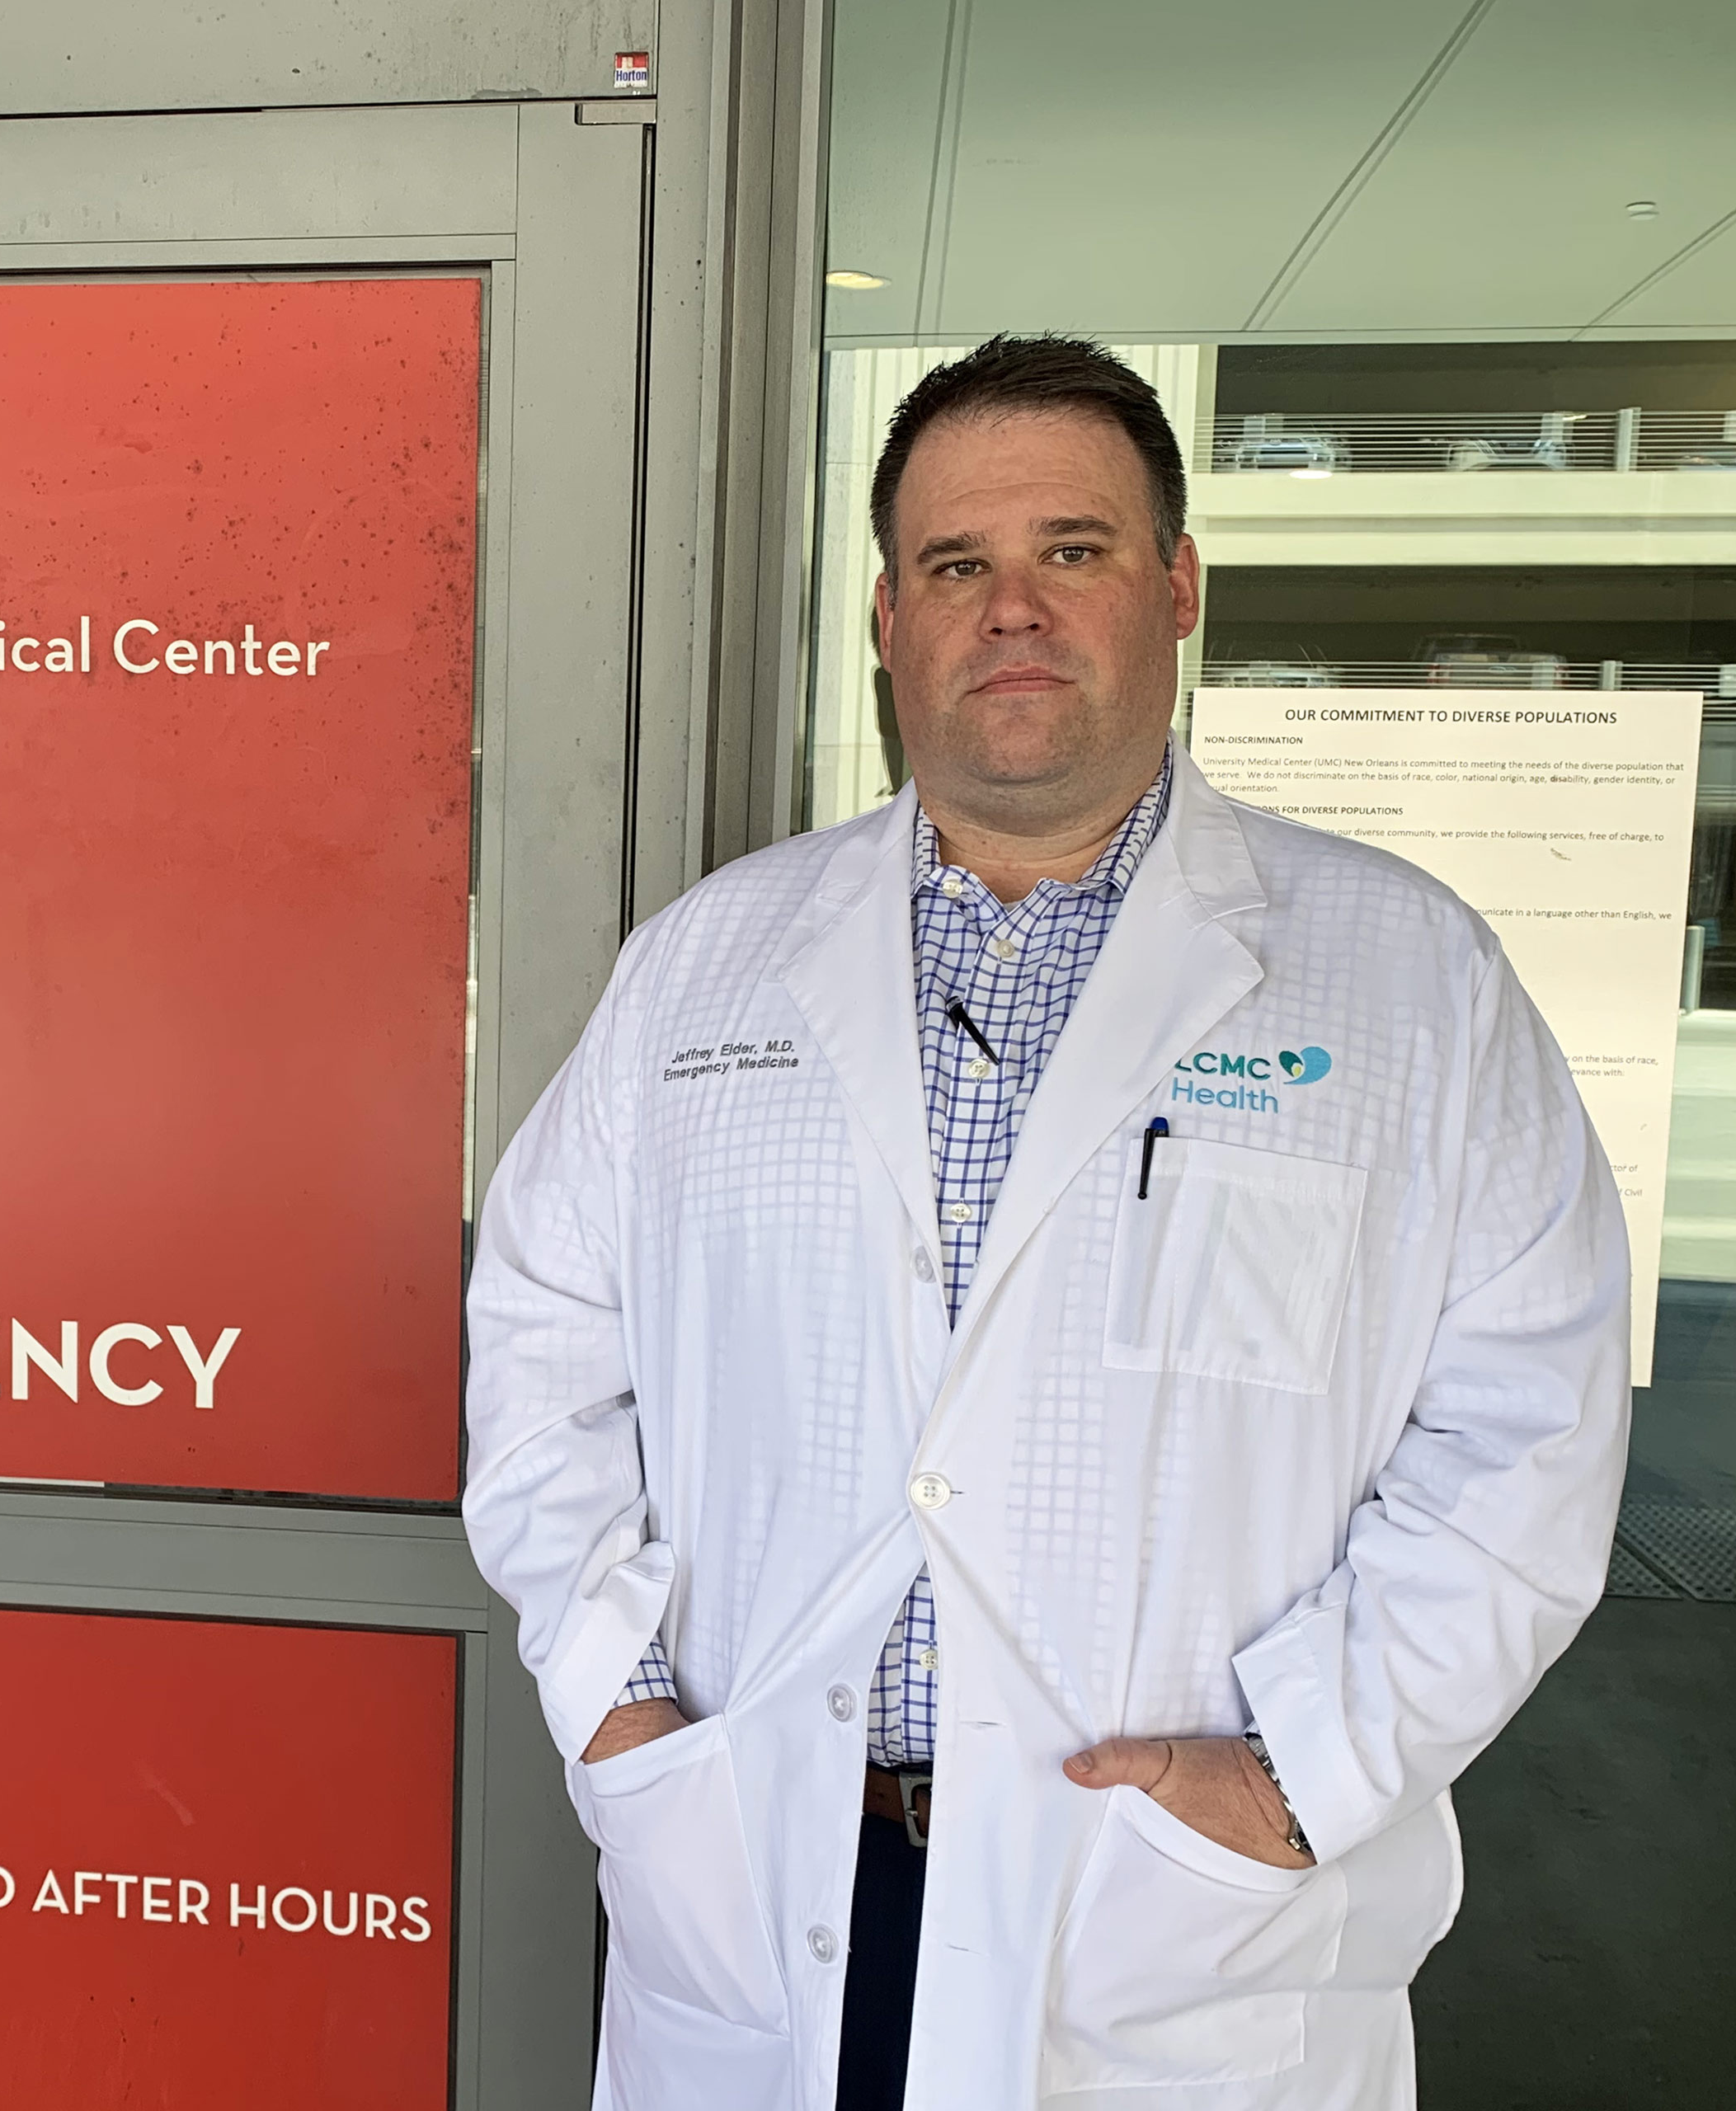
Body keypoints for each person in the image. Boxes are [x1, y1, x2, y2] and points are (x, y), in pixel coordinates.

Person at [463, 335, 1629, 2110]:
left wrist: (1301, 1771)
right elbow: (541, 1348)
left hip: (1172, 1913)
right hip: (769, 1860)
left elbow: (1529, 1439)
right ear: (887, 616)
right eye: (956, 564)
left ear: (1174, 590)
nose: (1011, 607)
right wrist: (625, 1708)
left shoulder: (1409, 978)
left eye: (1071, 551)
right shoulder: (705, 962)